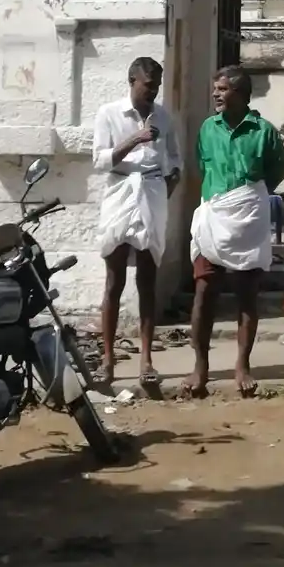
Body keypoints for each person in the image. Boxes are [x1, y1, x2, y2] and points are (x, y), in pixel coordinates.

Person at [184, 65, 284, 398]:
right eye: (215, 88)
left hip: (248, 219)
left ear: (242, 94)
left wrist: (249, 200)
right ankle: (200, 364)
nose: (216, 93)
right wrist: (223, 201)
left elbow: (277, 169)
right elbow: (202, 166)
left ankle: (242, 364)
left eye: (223, 89)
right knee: (204, 291)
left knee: (247, 295)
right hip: (213, 217)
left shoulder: (264, 131)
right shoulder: (207, 128)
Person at [90, 56, 181, 393]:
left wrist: (167, 186)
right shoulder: (109, 113)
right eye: (147, 85)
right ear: (132, 81)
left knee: (148, 279)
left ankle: (146, 361)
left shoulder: (164, 117)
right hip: (119, 194)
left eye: (156, 86)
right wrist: (135, 140)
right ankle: (108, 359)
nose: (152, 91)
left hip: (151, 194)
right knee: (114, 279)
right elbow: (99, 160)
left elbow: (175, 159)